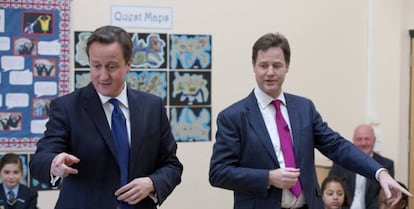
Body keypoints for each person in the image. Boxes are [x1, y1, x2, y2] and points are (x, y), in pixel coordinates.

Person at [208, 32, 412, 209]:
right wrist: (268, 177)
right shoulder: (233, 117)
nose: (270, 72)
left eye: (277, 65)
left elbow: (337, 146)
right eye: (263, 65)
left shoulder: (304, 108)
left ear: (287, 66)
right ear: (254, 66)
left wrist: (380, 173)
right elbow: (219, 172)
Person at [29, 25, 183, 209]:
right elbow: (39, 160)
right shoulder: (67, 107)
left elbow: (171, 165)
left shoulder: (152, 107)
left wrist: (152, 183)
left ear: (128, 64)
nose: (103, 76)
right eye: (96, 66)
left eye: (111, 67)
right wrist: (53, 164)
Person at [329, 123, 395, 209]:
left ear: (374, 140)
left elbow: (384, 196)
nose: (363, 143)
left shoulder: (386, 165)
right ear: (353, 141)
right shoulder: (340, 163)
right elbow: (330, 190)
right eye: (359, 139)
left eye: (367, 139)